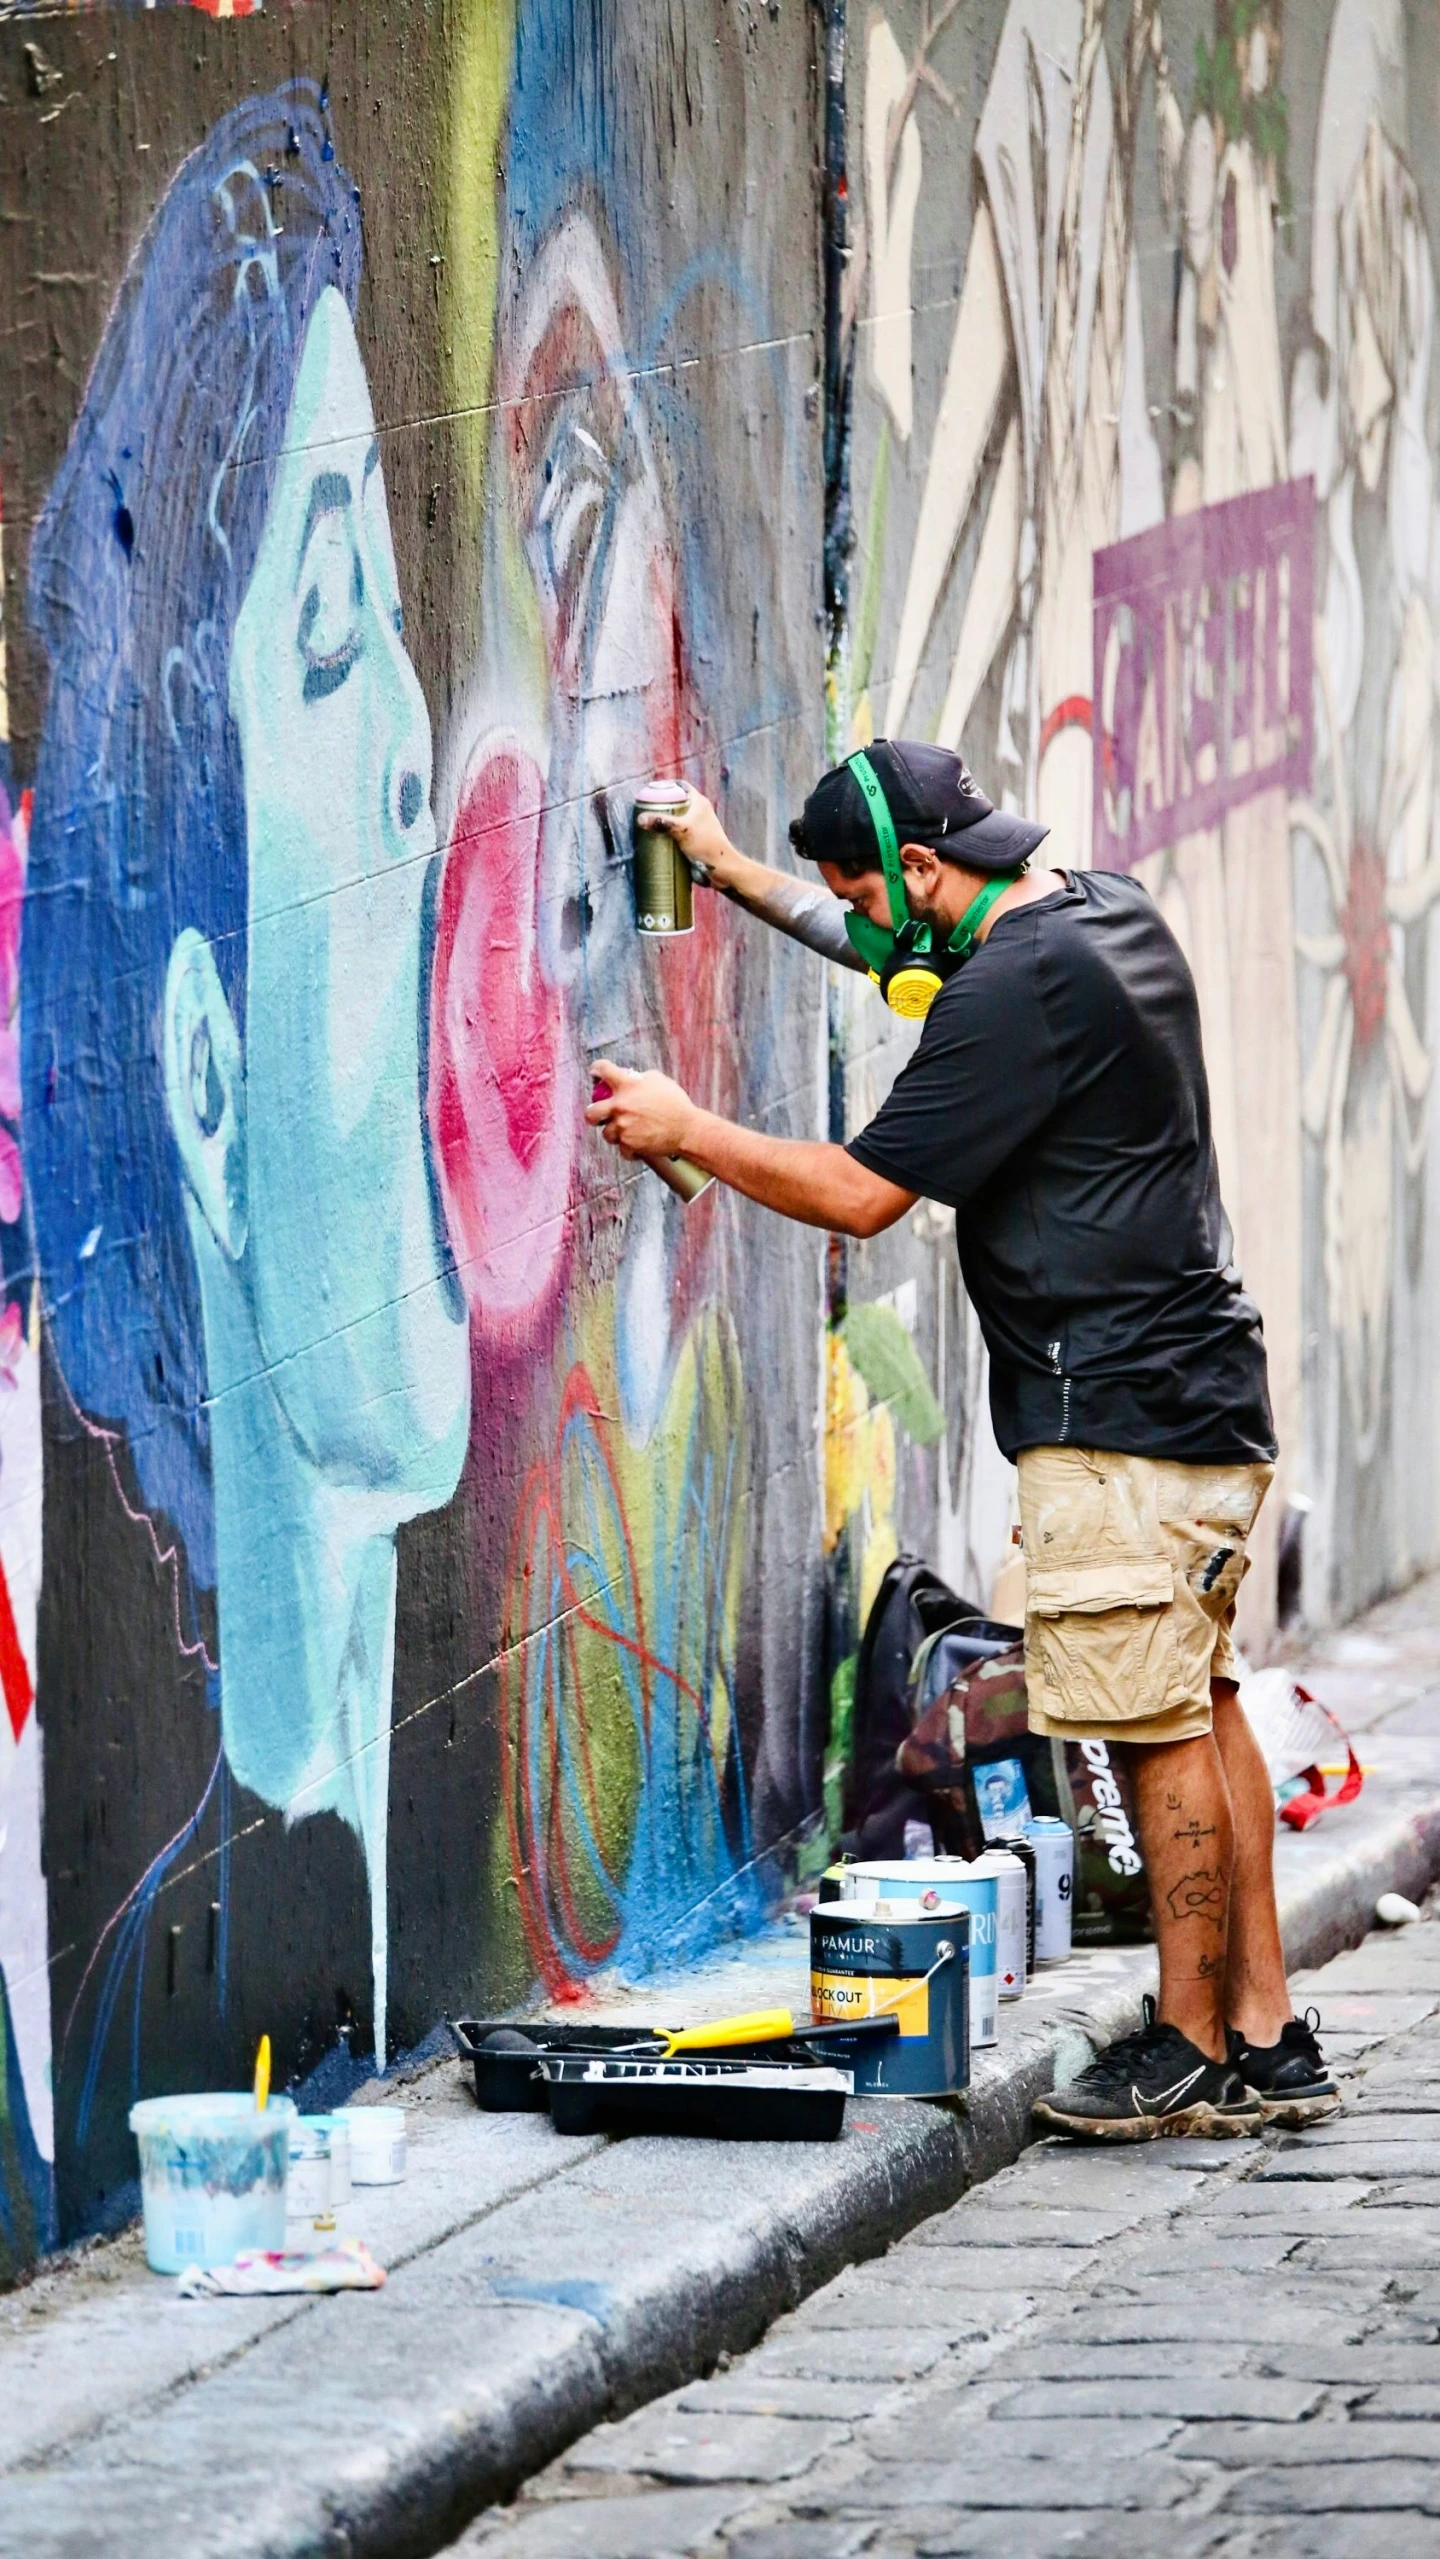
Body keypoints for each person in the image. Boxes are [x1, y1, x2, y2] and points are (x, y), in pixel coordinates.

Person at [587, 737, 1338, 2138]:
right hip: (1202, 1404)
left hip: (1114, 1419)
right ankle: (1265, 2029)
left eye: (874, 894)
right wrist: (737, 870)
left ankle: (1179, 2043)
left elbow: (861, 1192)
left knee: (1153, 1720)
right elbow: (898, 952)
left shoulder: (1007, 994)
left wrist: (690, 1125)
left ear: (927, 869)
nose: (871, 927)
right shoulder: (1091, 913)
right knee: (1208, 1697)